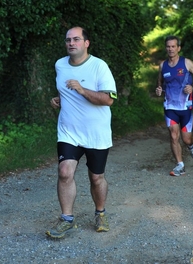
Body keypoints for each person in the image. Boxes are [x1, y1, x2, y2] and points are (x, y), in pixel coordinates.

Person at [46, 26, 117, 239]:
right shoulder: (60, 65)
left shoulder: (99, 66)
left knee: (96, 178)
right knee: (65, 172)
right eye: (68, 40)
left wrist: (82, 90)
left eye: (76, 39)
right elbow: (64, 91)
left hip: (96, 133)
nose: (71, 43)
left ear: (86, 43)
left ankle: (100, 213)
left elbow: (109, 99)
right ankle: (67, 219)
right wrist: (58, 100)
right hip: (69, 132)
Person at [155, 35, 193, 176]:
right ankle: (180, 165)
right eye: (168, 46)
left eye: (173, 46)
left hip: (185, 107)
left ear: (178, 48)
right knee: (173, 135)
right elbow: (160, 82)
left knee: (186, 138)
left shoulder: (186, 63)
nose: (170, 49)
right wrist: (159, 89)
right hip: (170, 106)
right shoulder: (162, 65)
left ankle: (191, 145)